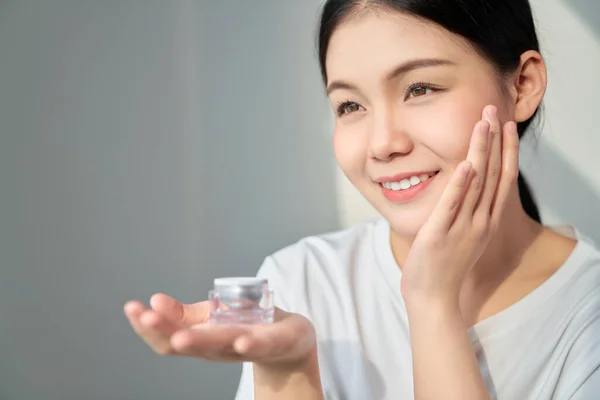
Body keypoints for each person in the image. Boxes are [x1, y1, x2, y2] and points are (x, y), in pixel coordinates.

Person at [123, 0, 600, 398]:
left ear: (523, 85)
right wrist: (289, 369)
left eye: (419, 88)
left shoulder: (587, 312)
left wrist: (432, 302)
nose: (382, 143)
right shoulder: (302, 283)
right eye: (350, 106)